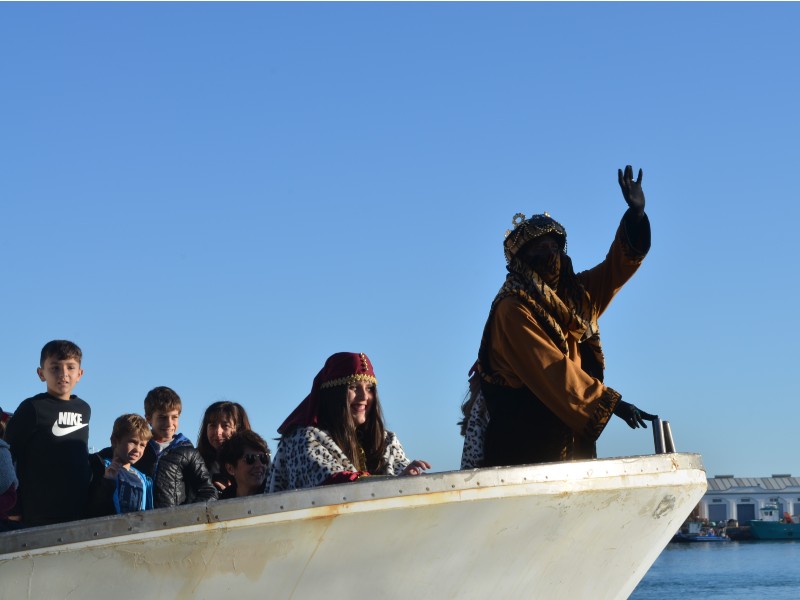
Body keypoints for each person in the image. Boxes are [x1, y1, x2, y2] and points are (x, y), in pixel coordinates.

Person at [462, 165, 656, 469]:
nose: (551, 254)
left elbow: (615, 270)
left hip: (569, 443)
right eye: (540, 248)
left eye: (555, 246)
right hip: (524, 450)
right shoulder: (512, 307)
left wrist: (636, 216)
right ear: (522, 262)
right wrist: (612, 404)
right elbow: (551, 367)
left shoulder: (576, 296)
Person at [269, 352, 430, 492]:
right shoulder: (302, 439)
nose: (364, 397)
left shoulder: (387, 441)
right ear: (334, 394)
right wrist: (395, 483)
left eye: (369, 388)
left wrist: (412, 477)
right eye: (354, 387)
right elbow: (334, 486)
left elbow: (404, 479)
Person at [4, 340, 92, 526]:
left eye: (70, 367)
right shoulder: (31, 408)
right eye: (55, 368)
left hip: (79, 508)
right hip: (39, 511)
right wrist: (13, 505)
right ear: (41, 373)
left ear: (80, 374)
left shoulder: (84, 409)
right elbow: (8, 455)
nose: (64, 374)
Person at [134, 386, 217, 508]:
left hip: (173, 524)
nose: (169, 423)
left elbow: (209, 491)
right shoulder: (137, 449)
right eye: (162, 417)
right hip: (137, 524)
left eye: (174, 417)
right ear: (149, 419)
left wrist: (187, 514)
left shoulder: (188, 452)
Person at [87, 414, 154, 517]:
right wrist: (107, 482)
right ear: (115, 441)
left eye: (142, 445)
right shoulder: (98, 468)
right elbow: (93, 509)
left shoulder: (143, 479)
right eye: (133, 442)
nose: (137, 449)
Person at [196, 401, 252, 492]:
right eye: (213, 425)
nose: (218, 432)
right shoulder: (195, 462)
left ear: (238, 428)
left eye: (225, 425)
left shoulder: (254, 461)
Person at [217, 430, 270, 499]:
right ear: (230, 468)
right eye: (250, 458)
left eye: (263, 458)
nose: (259, 465)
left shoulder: (277, 496)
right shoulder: (221, 504)